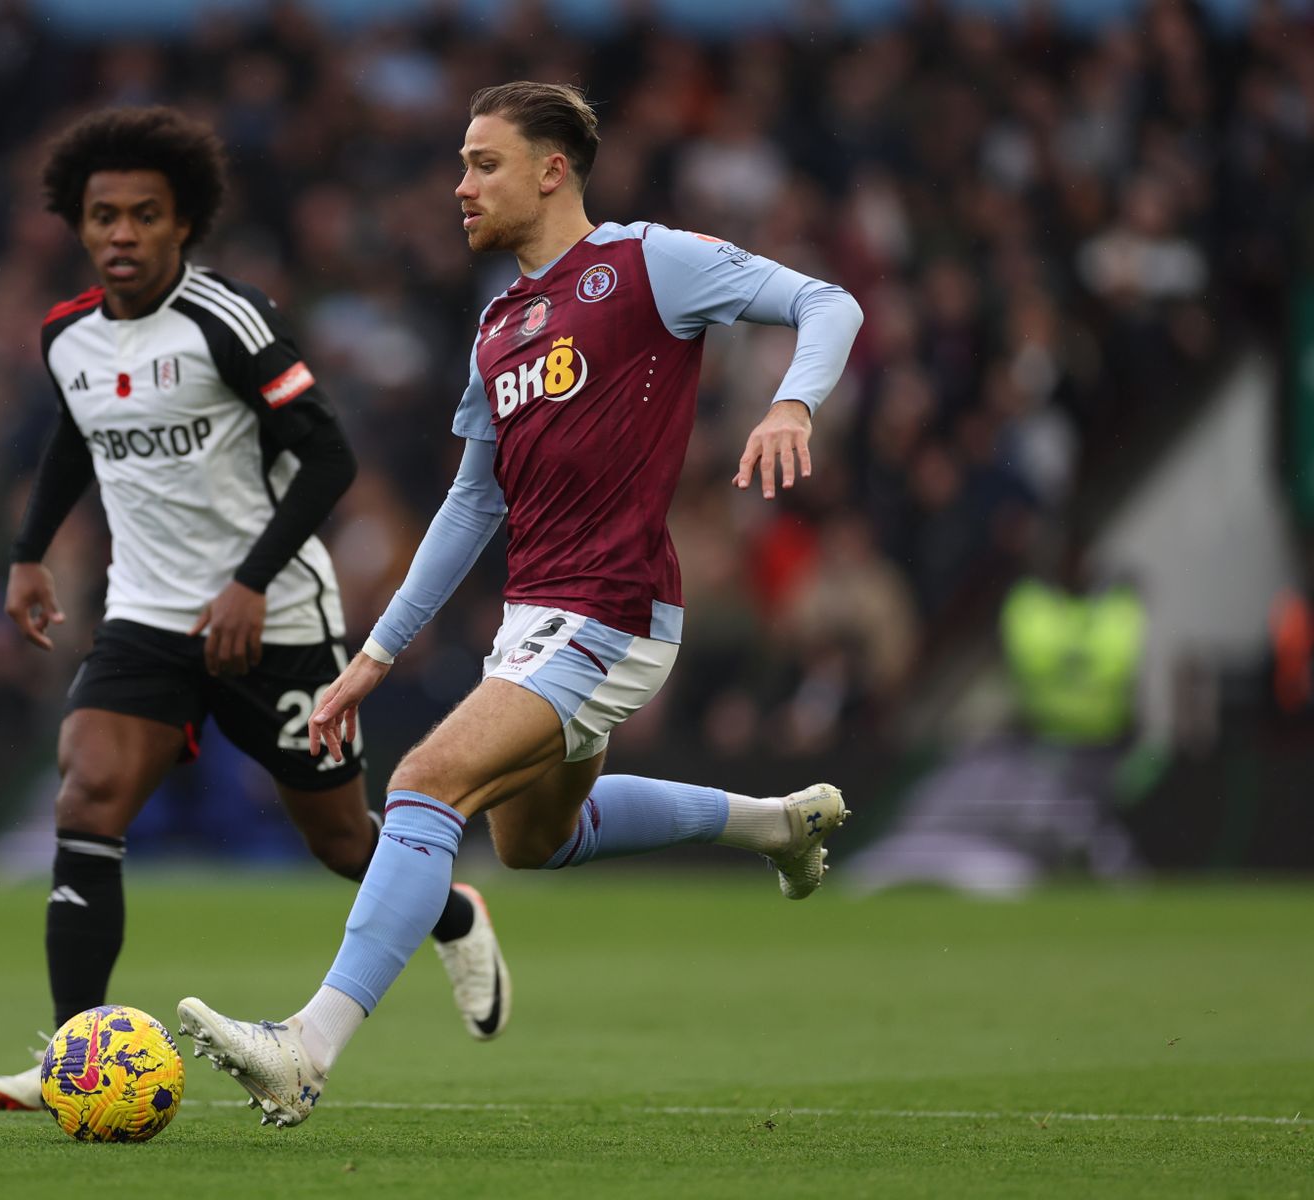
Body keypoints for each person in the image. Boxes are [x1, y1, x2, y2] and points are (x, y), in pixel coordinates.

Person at [176, 82, 864, 1127]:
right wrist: (377, 655)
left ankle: (304, 1047)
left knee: (424, 783)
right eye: (461, 163)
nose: (460, 186)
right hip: (536, 619)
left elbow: (831, 301)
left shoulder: (646, 263)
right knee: (536, 839)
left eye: (482, 163)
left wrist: (791, 402)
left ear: (552, 170)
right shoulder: (499, 322)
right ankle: (773, 825)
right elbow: (471, 501)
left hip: (614, 608)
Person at [0, 108, 508, 1111]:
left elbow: (330, 454)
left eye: (144, 215)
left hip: (281, 623)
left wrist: (251, 583)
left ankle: (453, 915)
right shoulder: (68, 337)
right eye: (103, 217)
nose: (122, 233)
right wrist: (27, 554)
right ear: (78, 226)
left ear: (183, 226)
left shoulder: (227, 319)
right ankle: (68, 1059)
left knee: (344, 841)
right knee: (88, 800)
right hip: (144, 617)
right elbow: (74, 437)